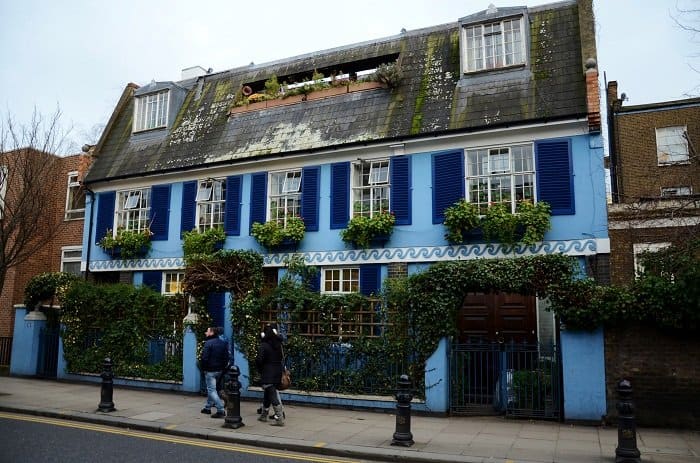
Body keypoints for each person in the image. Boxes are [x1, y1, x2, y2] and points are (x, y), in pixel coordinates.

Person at [255, 323, 285, 425]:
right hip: (277, 371)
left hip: (268, 372)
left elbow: (259, 360)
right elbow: (281, 358)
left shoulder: (264, 345)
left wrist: (260, 369)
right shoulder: (278, 344)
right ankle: (264, 415)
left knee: (272, 395)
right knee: (268, 394)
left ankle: (279, 419)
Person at [200, 326, 229, 418]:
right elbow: (226, 358)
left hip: (210, 370)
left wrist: (204, 368)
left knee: (211, 390)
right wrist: (222, 368)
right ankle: (207, 407)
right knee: (212, 388)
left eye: (207, 331)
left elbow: (204, 358)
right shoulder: (223, 343)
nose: (205, 333)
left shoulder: (208, 343)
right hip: (219, 370)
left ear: (212, 333)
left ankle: (220, 410)